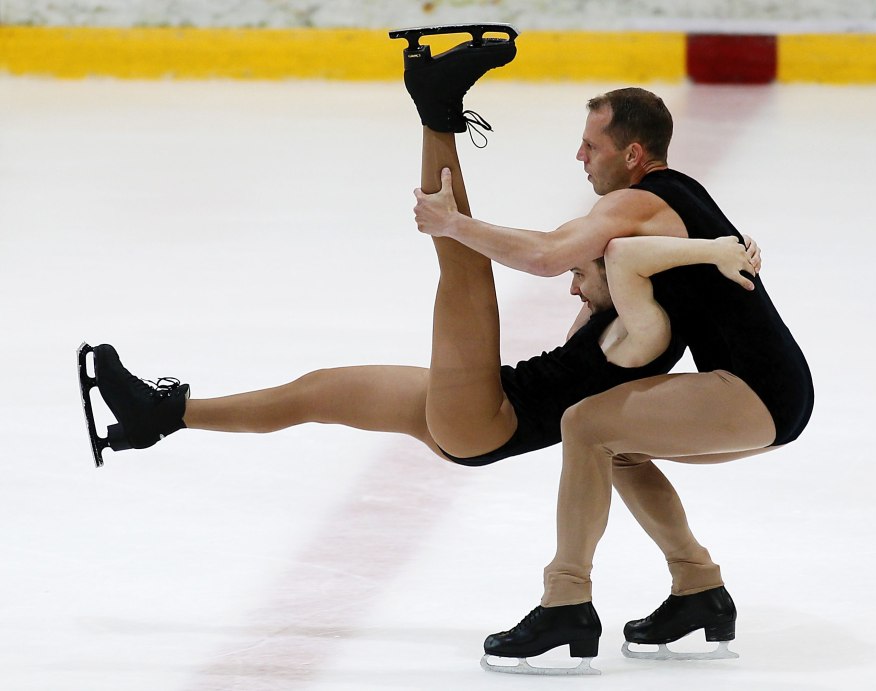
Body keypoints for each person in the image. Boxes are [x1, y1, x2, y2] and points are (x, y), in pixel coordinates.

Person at [77, 32, 759, 485]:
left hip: (486, 420)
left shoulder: (647, 322)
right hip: (487, 402)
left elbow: (574, 255)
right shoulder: (617, 304)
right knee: (316, 389)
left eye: (593, 146)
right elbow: (583, 256)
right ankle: (161, 416)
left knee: (463, 266)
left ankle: (437, 111)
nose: (583, 276)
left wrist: (459, 223)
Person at [411, 80, 813, 670]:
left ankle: (565, 600)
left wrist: (454, 226)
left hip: (755, 390)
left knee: (587, 425)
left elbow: (550, 256)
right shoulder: (678, 196)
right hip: (772, 388)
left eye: (590, 146)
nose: (580, 158)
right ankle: (698, 588)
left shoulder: (640, 201)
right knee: (618, 447)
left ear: (632, 155)